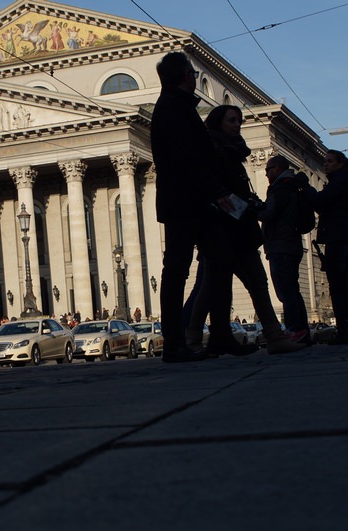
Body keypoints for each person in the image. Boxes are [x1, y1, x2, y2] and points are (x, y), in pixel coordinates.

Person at [187, 105, 304, 356]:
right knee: (211, 287)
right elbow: (215, 189)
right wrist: (238, 204)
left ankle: (273, 336)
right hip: (222, 228)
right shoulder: (214, 150)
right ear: (219, 123)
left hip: (239, 229)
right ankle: (193, 338)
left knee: (256, 283)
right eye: (232, 120)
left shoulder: (232, 150)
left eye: (239, 120)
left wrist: (247, 203)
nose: (238, 124)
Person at [150, 51, 229, 363]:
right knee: (178, 271)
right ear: (185, 77)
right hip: (188, 201)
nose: (196, 79)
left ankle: (214, 335)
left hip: (192, 200)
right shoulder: (172, 108)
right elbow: (188, 160)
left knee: (217, 261)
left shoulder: (176, 106)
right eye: (193, 74)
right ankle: (176, 342)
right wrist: (218, 191)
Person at [258, 155, 314, 344]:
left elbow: (268, 213)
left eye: (268, 169)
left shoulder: (281, 188)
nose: (266, 173)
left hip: (281, 244)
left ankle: (294, 329)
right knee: (292, 289)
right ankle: (302, 330)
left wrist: (254, 206)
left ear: (278, 168)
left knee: (285, 291)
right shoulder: (292, 186)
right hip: (292, 244)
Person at [311, 149, 348, 345]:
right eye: (325, 161)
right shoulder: (345, 182)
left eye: (329, 161)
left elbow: (319, 200)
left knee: (337, 288)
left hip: (338, 238)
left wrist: (306, 189)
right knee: (342, 287)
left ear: (340, 164)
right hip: (344, 238)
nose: (325, 164)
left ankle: (344, 330)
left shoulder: (339, 182)